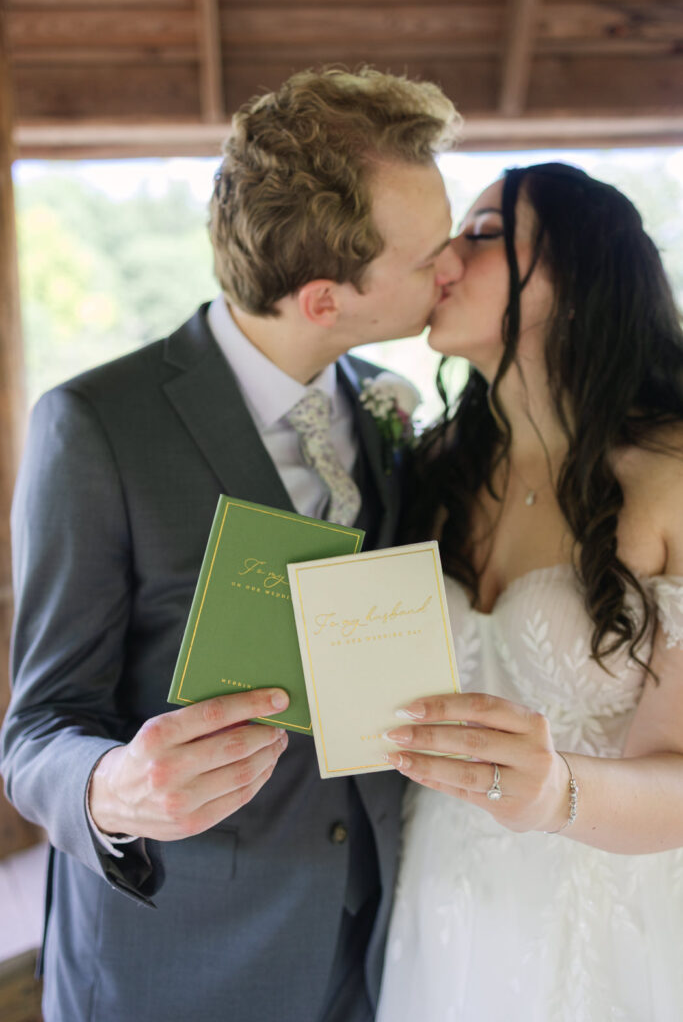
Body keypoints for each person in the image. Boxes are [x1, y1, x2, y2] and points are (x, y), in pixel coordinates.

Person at [0, 67, 462, 1022]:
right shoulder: (95, 426)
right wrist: (111, 787)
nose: (451, 267)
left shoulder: (385, 407)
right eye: (429, 256)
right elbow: (36, 733)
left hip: (369, 946)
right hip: (178, 964)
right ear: (325, 298)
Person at [376, 162, 683, 1020]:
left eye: (482, 234)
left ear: (577, 279)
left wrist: (554, 793)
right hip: (437, 899)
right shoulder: (433, 472)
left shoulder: (669, 477)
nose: (444, 257)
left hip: (603, 922)